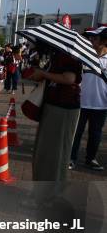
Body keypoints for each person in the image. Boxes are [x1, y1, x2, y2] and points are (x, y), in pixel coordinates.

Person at [26, 42, 82, 200]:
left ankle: (46, 196)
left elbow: (69, 78)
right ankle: (48, 193)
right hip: (57, 107)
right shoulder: (60, 55)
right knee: (49, 153)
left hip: (62, 108)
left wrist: (44, 74)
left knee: (50, 154)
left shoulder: (68, 56)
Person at [70, 26, 107, 171]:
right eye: (90, 37)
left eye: (95, 38)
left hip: (101, 105)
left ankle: (90, 159)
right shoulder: (84, 57)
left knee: (95, 134)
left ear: (104, 41)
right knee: (76, 133)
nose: (91, 40)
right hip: (80, 102)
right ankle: (71, 158)